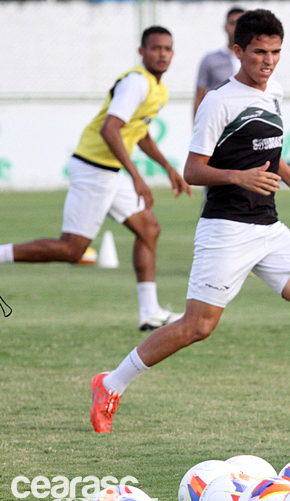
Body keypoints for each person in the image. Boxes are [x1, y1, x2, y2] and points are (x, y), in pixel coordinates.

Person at [90, 9, 290, 435]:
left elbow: (271, 149)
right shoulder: (218, 101)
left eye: (275, 52)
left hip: (268, 226)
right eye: (258, 52)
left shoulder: (274, 92)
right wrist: (237, 176)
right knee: (198, 326)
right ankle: (110, 383)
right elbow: (193, 169)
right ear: (238, 51)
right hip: (226, 227)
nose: (267, 60)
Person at [0, 26, 192, 331]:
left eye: (167, 48)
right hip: (94, 169)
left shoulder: (159, 89)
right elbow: (110, 129)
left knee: (149, 228)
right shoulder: (136, 83)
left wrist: (167, 168)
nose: (162, 54)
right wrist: (138, 177)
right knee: (72, 249)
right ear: (142, 52)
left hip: (109, 172)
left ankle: (149, 312)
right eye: (155, 48)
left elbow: (138, 132)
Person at [193, 7, 245, 116]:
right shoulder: (210, 59)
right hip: (218, 123)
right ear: (225, 27)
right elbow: (199, 98)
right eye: (232, 23)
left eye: (241, 24)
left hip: (248, 124)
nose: (236, 28)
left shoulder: (255, 59)